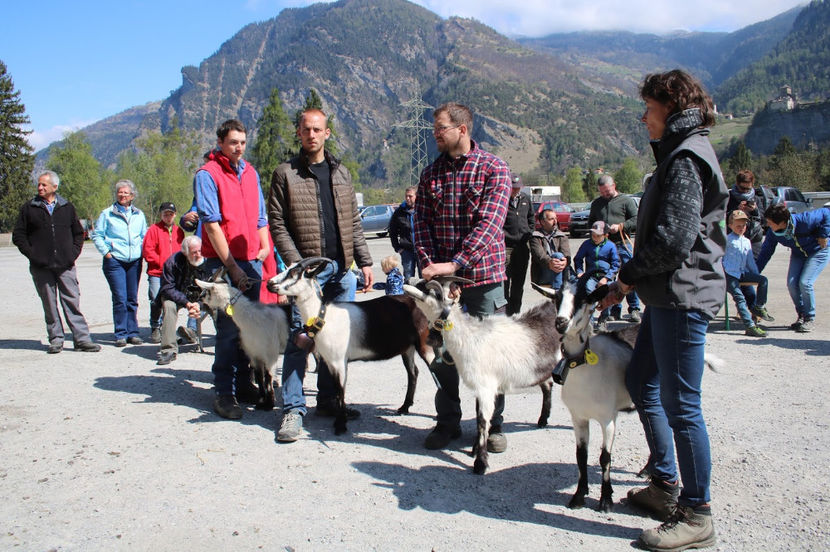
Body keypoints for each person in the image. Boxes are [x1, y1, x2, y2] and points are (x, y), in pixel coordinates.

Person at [598, 69, 727, 551]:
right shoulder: (677, 153)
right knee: (641, 381)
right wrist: (627, 281)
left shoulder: (687, 157)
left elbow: (672, 241)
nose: (643, 118)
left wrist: (628, 276)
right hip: (665, 295)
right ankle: (665, 483)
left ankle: (697, 513)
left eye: (649, 109)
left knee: (681, 405)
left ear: (670, 108)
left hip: (682, 296)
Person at [268, 107, 374, 442]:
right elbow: (277, 224)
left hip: (342, 272)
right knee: (300, 341)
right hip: (306, 279)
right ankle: (293, 410)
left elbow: (353, 222)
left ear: (327, 133)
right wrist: (298, 268)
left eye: (318, 129)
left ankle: (328, 400)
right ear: (298, 133)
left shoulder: (341, 172)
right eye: (306, 129)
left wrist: (365, 260)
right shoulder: (285, 173)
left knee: (336, 342)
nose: (312, 134)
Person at [413, 101, 511, 452]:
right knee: (440, 353)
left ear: (462, 129)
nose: (435, 133)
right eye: (435, 128)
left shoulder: (494, 169)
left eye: (440, 127)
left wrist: (455, 266)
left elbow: (489, 225)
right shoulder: (430, 174)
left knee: (487, 353)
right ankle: (447, 422)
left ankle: (491, 424)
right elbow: (420, 223)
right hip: (440, 281)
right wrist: (432, 268)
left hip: (483, 279)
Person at [195, 119, 271, 420]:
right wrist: (232, 269)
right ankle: (223, 392)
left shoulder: (250, 172)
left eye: (242, 141)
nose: (238, 147)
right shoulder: (207, 175)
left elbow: (261, 217)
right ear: (220, 143)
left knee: (248, 327)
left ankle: (243, 383)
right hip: (223, 264)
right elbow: (212, 226)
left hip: (251, 260)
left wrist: (263, 249)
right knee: (228, 331)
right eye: (232, 142)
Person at [12, 170, 101, 354]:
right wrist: (33, 254)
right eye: (39, 184)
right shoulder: (29, 208)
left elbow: (78, 233)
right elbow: (18, 235)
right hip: (41, 267)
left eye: (44, 184)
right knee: (49, 304)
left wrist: (72, 254)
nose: (40, 187)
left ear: (55, 186)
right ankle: (56, 339)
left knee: (72, 301)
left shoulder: (66, 207)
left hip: (65, 265)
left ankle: (82, 339)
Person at [756, 203, 830, 333]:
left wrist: (824, 235)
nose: (767, 225)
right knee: (791, 284)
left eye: (770, 222)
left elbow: (826, 213)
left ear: (782, 222)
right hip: (799, 254)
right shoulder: (773, 233)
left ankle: (809, 318)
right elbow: (766, 252)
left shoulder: (804, 219)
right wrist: (755, 273)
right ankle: (802, 315)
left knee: (805, 282)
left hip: (818, 250)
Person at [92, 179, 148, 347]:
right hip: (115, 261)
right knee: (120, 297)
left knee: (132, 298)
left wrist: (143, 253)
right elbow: (97, 235)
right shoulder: (107, 213)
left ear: (132, 195)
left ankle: (133, 332)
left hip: (135, 261)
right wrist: (107, 253)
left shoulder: (139, 214)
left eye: (126, 192)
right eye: (120, 192)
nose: (122, 195)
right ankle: (121, 333)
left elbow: (144, 236)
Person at [588, 174, 641, 322]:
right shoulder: (596, 204)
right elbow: (590, 222)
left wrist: (622, 226)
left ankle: (634, 308)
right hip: (605, 246)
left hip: (622, 244)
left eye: (607, 191)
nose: (605, 194)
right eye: (602, 192)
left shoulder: (626, 200)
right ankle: (612, 310)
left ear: (614, 186)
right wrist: (598, 231)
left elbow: (637, 219)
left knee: (629, 276)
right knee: (608, 277)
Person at [155, 236, 210, 365]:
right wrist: (187, 303)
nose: (198, 254)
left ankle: (227, 346)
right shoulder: (172, 262)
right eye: (194, 252)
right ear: (185, 253)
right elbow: (167, 288)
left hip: (201, 297)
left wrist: (199, 304)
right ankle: (168, 350)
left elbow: (212, 287)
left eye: (200, 251)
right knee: (169, 306)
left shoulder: (208, 261)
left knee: (219, 308)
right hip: (178, 296)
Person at [723, 210, 774, 337]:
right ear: (730, 226)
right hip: (729, 274)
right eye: (738, 226)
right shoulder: (726, 240)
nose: (741, 228)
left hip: (741, 273)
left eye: (744, 226)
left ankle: (759, 306)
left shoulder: (746, 241)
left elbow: (750, 261)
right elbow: (719, 258)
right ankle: (749, 326)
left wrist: (756, 275)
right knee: (739, 298)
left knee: (763, 280)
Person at [142, 202, 185, 343]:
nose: (168, 217)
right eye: (165, 214)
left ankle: (168, 331)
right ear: (161, 215)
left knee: (171, 303)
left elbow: (183, 252)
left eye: (171, 214)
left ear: (175, 215)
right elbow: (148, 251)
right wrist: (163, 263)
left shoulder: (179, 231)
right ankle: (155, 326)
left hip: (174, 274)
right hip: (157, 272)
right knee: (156, 300)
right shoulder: (154, 230)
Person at [573, 221, 619, 330]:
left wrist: (607, 277)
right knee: (589, 294)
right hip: (591, 276)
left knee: (607, 295)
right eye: (593, 235)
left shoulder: (611, 246)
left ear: (606, 235)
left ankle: (603, 319)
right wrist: (579, 271)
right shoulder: (587, 244)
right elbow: (578, 258)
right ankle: (590, 321)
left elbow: (616, 264)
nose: (595, 238)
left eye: (598, 236)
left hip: (606, 276)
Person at [502, 175, 535, 315]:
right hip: (506, 247)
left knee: (518, 283)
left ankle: (515, 312)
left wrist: (529, 231)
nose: (515, 190)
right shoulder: (502, 200)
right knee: (504, 282)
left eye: (517, 187)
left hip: (522, 247)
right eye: (513, 187)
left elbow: (531, 218)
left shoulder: (525, 199)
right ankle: (504, 312)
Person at [726, 170, 769, 258]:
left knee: (754, 268)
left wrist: (754, 210)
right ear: (737, 184)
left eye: (748, 189)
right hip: (733, 240)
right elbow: (721, 218)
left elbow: (764, 221)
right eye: (742, 188)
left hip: (754, 241)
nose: (745, 191)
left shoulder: (756, 199)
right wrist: (736, 210)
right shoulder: (728, 198)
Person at [529, 208, 571, 289]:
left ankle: (557, 289)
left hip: (562, 269)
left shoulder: (561, 235)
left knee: (581, 283)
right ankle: (557, 290)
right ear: (542, 222)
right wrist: (550, 262)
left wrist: (565, 261)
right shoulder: (535, 237)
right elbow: (540, 256)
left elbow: (566, 254)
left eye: (555, 218)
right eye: (551, 219)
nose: (555, 222)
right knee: (557, 256)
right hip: (543, 271)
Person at [389, 186, 418, 279]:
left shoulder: (422, 209)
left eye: (410, 196)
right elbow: (392, 231)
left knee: (425, 278)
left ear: (416, 196)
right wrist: (398, 248)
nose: (408, 198)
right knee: (408, 278)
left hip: (422, 250)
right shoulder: (399, 212)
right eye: (406, 196)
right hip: (407, 251)